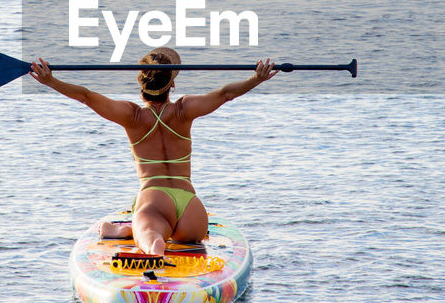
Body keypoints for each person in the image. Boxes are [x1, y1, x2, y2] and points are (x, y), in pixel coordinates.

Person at [29, 47, 276, 258]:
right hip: (192, 209)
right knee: (174, 233)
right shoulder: (184, 110)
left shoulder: (132, 116)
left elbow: (86, 96)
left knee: (152, 236)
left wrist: (51, 81)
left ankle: (150, 243)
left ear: (141, 81)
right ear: (172, 84)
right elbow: (226, 94)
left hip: (155, 201)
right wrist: (257, 78)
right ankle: (134, 230)